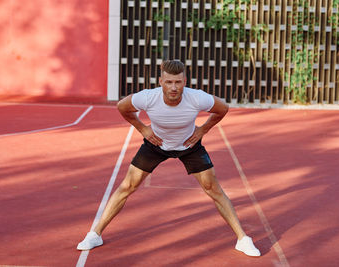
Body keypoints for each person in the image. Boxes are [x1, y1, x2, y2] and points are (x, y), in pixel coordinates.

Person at [77, 60, 260, 257]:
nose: (173, 87)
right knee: (127, 186)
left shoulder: (197, 98)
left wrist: (203, 130)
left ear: (185, 81)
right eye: (169, 82)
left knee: (213, 189)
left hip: (189, 146)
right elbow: (123, 107)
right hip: (156, 145)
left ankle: (242, 239)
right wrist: (143, 128)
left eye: (178, 82)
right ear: (161, 81)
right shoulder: (148, 97)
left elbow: (222, 108)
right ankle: (95, 234)